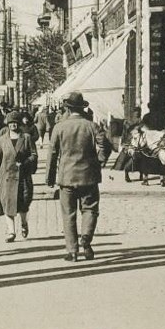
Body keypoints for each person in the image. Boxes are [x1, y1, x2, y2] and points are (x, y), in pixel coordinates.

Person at [46, 91, 113, 262]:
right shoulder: (92, 126)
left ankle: (72, 251)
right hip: (89, 176)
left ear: (67, 109)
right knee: (90, 209)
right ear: (82, 108)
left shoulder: (59, 127)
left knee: (68, 213)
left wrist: (50, 177)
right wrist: (100, 161)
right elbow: (104, 145)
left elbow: (52, 154)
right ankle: (86, 241)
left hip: (66, 176)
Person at [0, 111, 37, 242]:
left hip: (23, 177)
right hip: (7, 177)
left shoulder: (26, 138)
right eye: (10, 123)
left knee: (23, 204)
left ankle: (24, 223)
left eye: (15, 123)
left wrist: (26, 162)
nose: (13, 126)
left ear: (19, 124)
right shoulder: (3, 139)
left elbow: (34, 155)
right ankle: (11, 231)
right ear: (7, 125)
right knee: (7, 203)